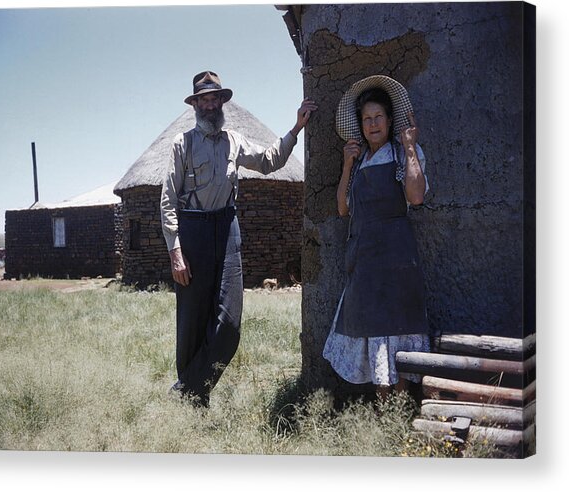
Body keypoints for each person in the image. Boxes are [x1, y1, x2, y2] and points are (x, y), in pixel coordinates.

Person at [160, 70, 316, 407]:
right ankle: (195, 399)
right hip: (193, 231)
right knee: (192, 320)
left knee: (229, 324)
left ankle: (185, 389)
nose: (211, 104)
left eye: (215, 98)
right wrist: (176, 250)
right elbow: (168, 198)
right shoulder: (181, 144)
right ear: (196, 104)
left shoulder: (234, 140)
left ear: (221, 102)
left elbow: (268, 161)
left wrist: (296, 129)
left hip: (228, 228)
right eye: (204, 99)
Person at [323, 75, 430, 400]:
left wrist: (410, 147)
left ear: (389, 120)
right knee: (373, 337)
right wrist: (346, 163)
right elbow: (343, 209)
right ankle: (385, 417)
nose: (373, 124)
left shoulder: (402, 155)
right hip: (364, 263)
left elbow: (416, 197)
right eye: (367, 119)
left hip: (397, 261)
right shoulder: (358, 163)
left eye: (378, 117)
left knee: (396, 334)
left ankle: (397, 415)